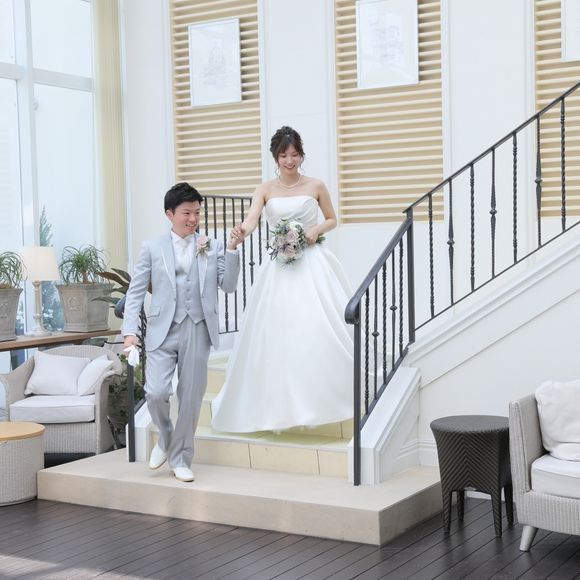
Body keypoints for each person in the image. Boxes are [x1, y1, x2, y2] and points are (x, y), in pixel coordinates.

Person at [211, 126, 354, 433]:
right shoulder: (264, 189)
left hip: (312, 262)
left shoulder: (316, 185)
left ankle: (320, 397)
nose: (290, 161)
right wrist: (239, 234)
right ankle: (279, 404)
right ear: (275, 157)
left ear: (301, 155)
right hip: (278, 267)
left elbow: (332, 219)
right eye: (283, 155)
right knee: (276, 329)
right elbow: (251, 221)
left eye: (295, 154)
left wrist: (315, 230)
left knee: (314, 327)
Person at [122, 182, 241, 482]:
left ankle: (181, 457)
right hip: (162, 329)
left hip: (198, 327)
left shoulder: (212, 246)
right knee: (156, 392)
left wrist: (232, 249)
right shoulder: (152, 248)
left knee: (190, 397)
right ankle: (166, 437)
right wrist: (130, 332)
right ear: (170, 214)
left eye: (197, 213)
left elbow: (228, 286)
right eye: (187, 213)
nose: (193, 219)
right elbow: (136, 292)